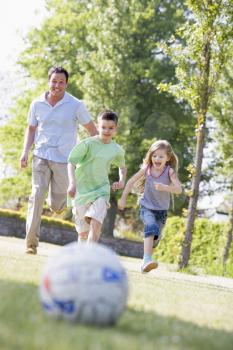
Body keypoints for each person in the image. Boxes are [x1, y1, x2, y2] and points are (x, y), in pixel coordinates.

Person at [20, 66, 97, 254]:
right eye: (54, 81)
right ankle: (31, 244)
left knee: (57, 205)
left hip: (65, 160)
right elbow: (31, 129)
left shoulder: (76, 105)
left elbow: (92, 129)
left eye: (61, 82)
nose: (57, 85)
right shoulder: (37, 103)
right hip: (41, 156)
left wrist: (92, 154)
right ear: (49, 81)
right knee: (36, 197)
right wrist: (25, 152)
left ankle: (53, 200)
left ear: (66, 84)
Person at [118, 140, 182, 273]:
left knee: (155, 237)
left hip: (161, 211)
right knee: (151, 227)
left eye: (161, 156)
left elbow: (178, 189)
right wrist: (123, 198)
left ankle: (148, 260)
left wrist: (165, 187)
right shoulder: (146, 169)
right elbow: (130, 182)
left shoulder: (169, 172)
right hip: (146, 207)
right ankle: (146, 260)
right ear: (150, 156)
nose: (157, 159)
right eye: (154, 155)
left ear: (168, 158)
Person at [67, 110, 127, 243]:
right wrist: (72, 183)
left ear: (116, 129)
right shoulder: (87, 144)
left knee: (96, 222)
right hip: (81, 190)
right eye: (103, 127)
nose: (106, 130)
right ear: (98, 126)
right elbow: (71, 163)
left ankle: (90, 257)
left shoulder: (116, 149)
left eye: (110, 128)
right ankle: (81, 259)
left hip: (101, 190)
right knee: (83, 233)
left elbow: (122, 166)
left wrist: (122, 180)